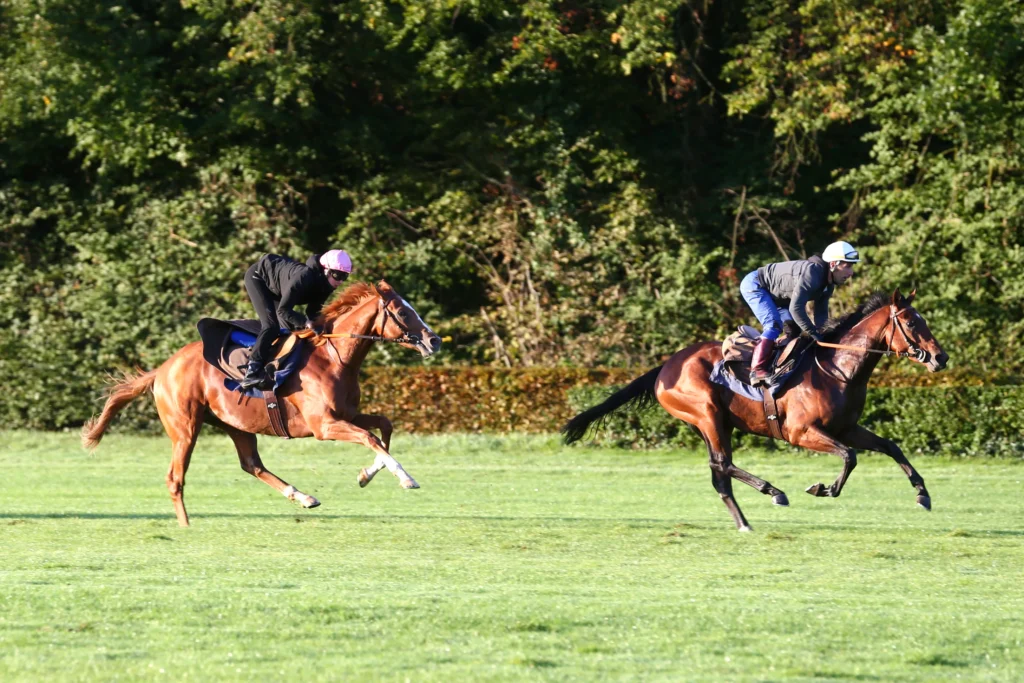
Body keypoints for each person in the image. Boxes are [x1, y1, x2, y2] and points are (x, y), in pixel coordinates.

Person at [739, 241, 860, 385]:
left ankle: (779, 366)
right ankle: (757, 370)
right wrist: (815, 335)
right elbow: (796, 309)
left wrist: (825, 336)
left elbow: (821, 315)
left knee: (793, 331)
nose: (851, 273)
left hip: (779, 298)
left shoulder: (828, 284)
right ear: (833, 264)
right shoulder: (812, 273)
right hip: (756, 285)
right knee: (773, 325)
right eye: (847, 266)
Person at [238, 249, 352, 390]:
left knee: (290, 331)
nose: (340, 281)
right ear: (326, 270)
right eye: (338, 275)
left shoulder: (327, 285)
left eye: (344, 277)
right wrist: (306, 322)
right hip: (259, 278)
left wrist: (324, 325)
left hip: (278, 287)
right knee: (271, 327)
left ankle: (274, 367)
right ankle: (251, 372)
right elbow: (283, 310)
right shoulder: (304, 277)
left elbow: (312, 311)